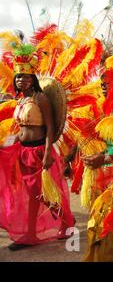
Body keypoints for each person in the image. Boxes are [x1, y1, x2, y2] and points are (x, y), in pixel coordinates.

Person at [0, 45, 75, 251]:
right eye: (18, 77)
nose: (20, 80)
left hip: (39, 151)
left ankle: (53, 225)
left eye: (25, 77)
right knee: (33, 194)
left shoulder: (40, 98)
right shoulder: (21, 100)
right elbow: (21, 127)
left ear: (33, 79)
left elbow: (50, 126)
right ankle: (47, 227)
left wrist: (49, 152)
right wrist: (10, 142)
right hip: (22, 151)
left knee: (37, 194)